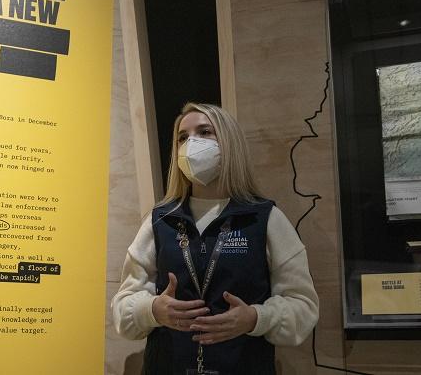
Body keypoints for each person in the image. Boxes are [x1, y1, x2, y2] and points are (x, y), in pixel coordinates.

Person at [112, 103, 319, 375]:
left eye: (205, 132)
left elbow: (303, 307)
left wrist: (256, 318)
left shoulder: (264, 218)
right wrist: (152, 310)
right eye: (183, 137)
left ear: (228, 143)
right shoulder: (160, 220)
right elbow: (122, 306)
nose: (191, 143)